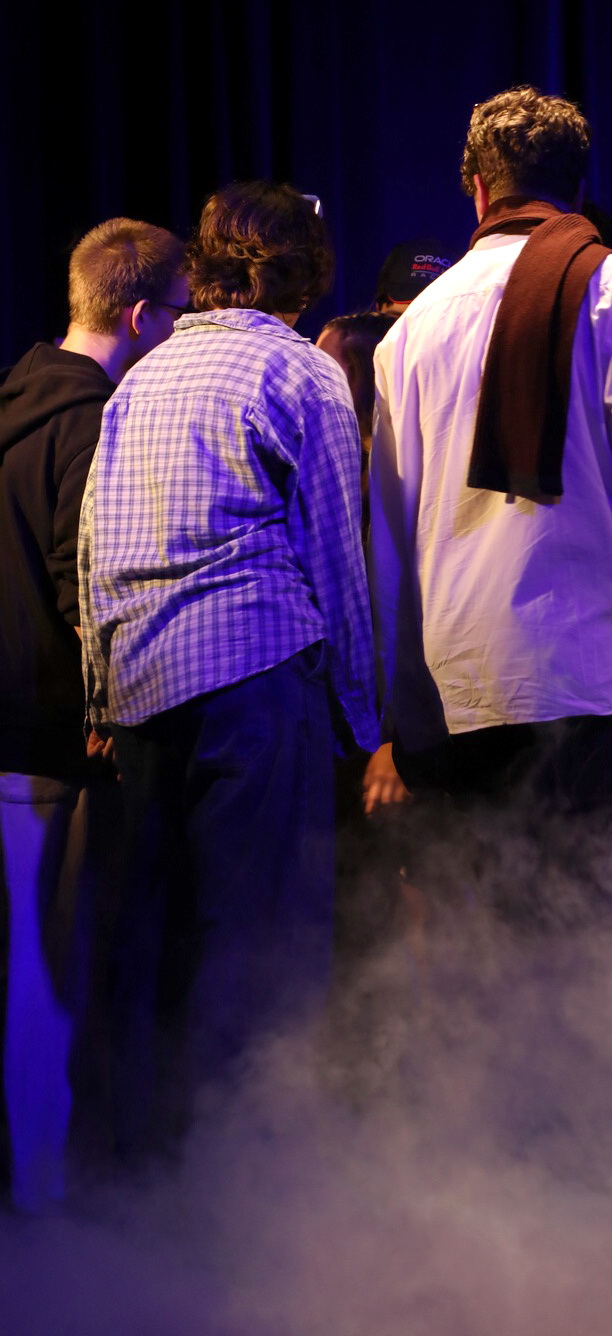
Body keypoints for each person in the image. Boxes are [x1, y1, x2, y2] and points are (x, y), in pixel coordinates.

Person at [370, 89, 612, 940]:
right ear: (579, 188)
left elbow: (390, 538)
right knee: (575, 951)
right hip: (586, 679)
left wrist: (400, 715)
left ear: (477, 188)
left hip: (460, 684)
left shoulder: (411, 328)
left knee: (482, 957)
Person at [79, 181, 378, 1162]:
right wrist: (362, 721)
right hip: (256, 677)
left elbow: (94, 545)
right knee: (259, 946)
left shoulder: (143, 374)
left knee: (155, 942)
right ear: (305, 274)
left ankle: (145, 1187)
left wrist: (100, 698)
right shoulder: (301, 371)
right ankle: (248, 1189)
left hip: (141, 691)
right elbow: (336, 555)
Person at [0, 217, 188, 1209]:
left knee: (22, 988)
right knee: (57, 989)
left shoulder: (14, 400)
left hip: (10, 734)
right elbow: (88, 587)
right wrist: (111, 708)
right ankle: (54, 1214)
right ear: (142, 315)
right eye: (181, 316)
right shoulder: (95, 422)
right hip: (55, 740)